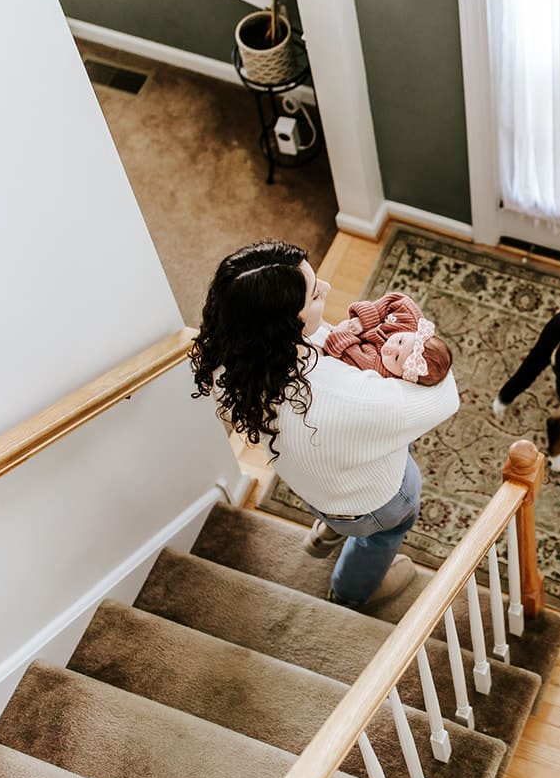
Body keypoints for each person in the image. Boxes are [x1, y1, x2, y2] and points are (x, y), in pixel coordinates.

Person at [189, 241, 460, 610]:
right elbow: (446, 396)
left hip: (314, 484)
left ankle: (329, 530)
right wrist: (418, 343)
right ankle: (351, 590)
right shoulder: (358, 398)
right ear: (291, 322)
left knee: (341, 496)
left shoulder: (232, 358)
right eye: (316, 294)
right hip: (373, 501)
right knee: (386, 531)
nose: (328, 288)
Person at [324, 290, 453, 386]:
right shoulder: (410, 320)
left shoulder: (377, 366)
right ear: (417, 333)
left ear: (402, 376)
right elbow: (397, 300)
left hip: (352, 337)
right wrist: (364, 321)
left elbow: (344, 349)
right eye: (400, 341)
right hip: (367, 324)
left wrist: (344, 331)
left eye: (396, 358)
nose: (391, 348)